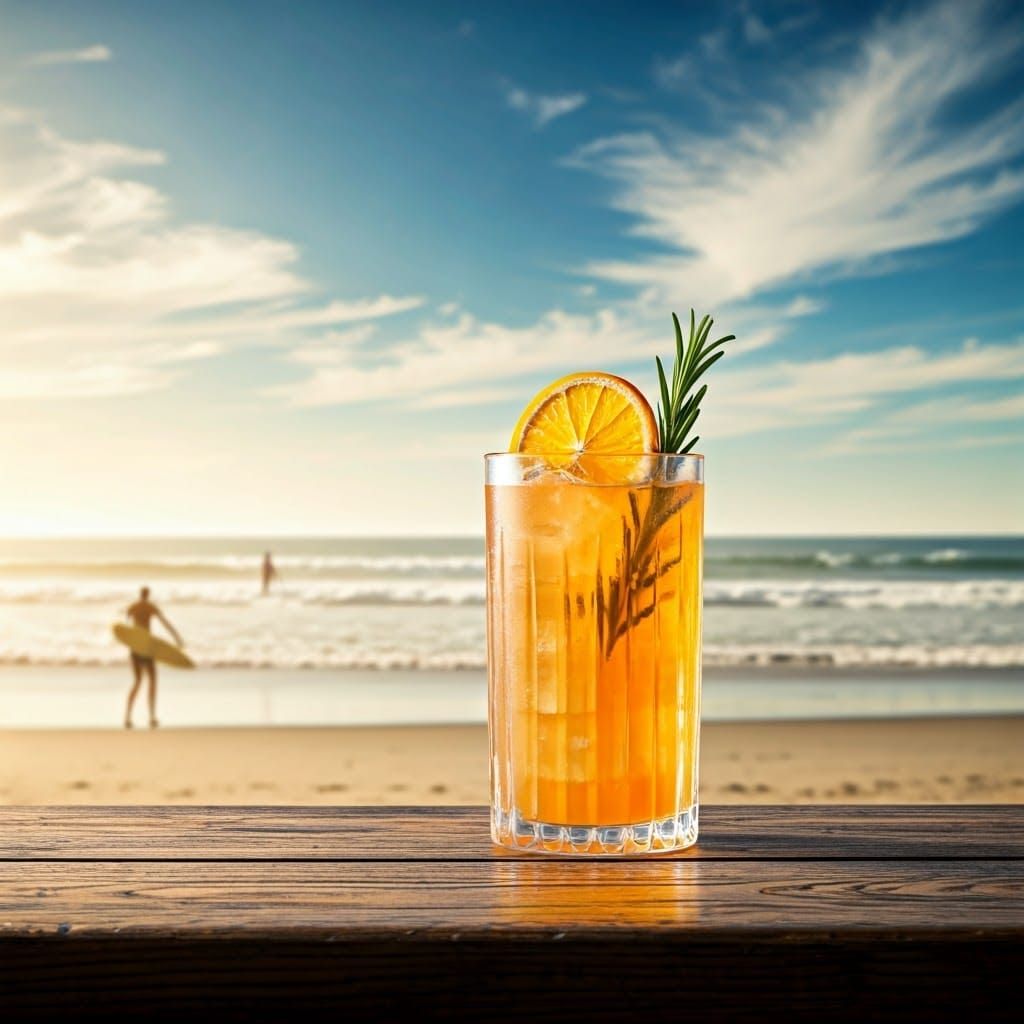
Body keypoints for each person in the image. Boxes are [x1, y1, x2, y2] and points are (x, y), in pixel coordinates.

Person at [123, 586, 183, 730]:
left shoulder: (133, 607)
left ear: (140, 594)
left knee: (137, 682)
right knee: (152, 681)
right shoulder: (151, 607)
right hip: (147, 648)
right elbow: (165, 623)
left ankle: (127, 717)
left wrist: (128, 643)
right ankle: (152, 717)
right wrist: (176, 637)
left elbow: (125, 628)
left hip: (135, 648)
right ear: (148, 595)